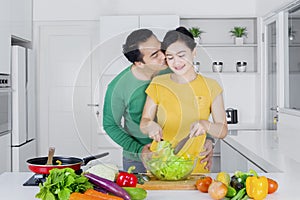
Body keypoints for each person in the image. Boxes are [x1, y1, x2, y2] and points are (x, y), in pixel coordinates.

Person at [103, 28, 214, 173]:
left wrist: (208, 139)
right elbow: (110, 125)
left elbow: (197, 108)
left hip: (180, 153)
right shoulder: (118, 87)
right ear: (139, 63)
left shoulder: (174, 70)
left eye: (161, 47)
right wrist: (139, 150)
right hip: (139, 160)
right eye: (155, 55)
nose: (164, 55)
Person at [140, 27, 228, 173]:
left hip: (196, 165)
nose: (176, 62)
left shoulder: (211, 86)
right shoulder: (158, 83)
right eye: (170, 57)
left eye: (182, 55)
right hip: (161, 163)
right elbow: (144, 120)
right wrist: (149, 125)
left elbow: (223, 131)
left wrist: (206, 125)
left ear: (194, 52)